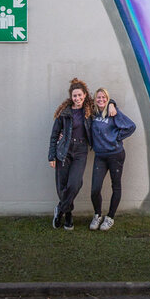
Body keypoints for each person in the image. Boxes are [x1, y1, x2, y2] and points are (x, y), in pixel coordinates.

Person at [49, 78, 93, 230]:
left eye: (80, 95)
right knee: (63, 185)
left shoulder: (89, 110)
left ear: (85, 95)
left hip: (81, 151)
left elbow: (104, 101)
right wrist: (51, 156)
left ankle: (60, 209)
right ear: (71, 97)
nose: (78, 98)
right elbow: (54, 135)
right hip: (64, 151)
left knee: (75, 184)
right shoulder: (64, 113)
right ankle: (68, 215)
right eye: (75, 96)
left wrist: (112, 103)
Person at [89, 87, 136, 231]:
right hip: (100, 156)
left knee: (116, 186)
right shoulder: (92, 113)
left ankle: (110, 217)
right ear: (95, 99)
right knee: (95, 189)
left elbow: (131, 126)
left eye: (104, 97)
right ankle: (97, 215)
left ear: (108, 99)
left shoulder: (113, 112)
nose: (101, 100)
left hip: (116, 154)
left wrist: (116, 138)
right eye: (99, 97)